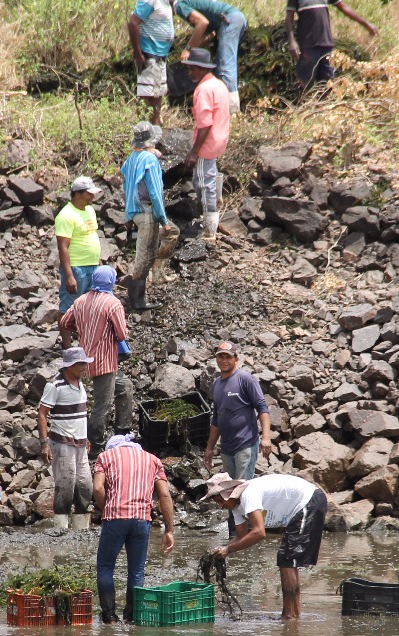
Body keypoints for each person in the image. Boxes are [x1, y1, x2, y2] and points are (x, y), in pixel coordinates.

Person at [205, 472, 327, 619]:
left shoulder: (248, 495)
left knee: (287, 561)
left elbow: (259, 532)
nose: (220, 505)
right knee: (287, 561)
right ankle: (294, 614)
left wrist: (228, 549)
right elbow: (241, 537)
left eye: (220, 500)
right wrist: (220, 550)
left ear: (227, 493)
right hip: (301, 507)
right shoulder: (236, 508)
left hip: (309, 500)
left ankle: (289, 615)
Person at [92, 434, 176, 623]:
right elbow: (164, 494)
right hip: (141, 520)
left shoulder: (105, 457)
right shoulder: (153, 460)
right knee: (136, 571)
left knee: (105, 567)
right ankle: (131, 616)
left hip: (114, 518)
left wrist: (107, 508)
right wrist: (169, 530)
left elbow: (98, 488)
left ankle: (109, 616)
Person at [60, 266, 135, 455]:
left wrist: (82, 330)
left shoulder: (81, 300)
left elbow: (64, 322)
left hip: (85, 359)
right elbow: (121, 333)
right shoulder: (113, 304)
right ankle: (96, 444)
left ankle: (122, 430)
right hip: (105, 362)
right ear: (110, 281)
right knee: (103, 404)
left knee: (125, 387)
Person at [120, 121, 176, 312]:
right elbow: (155, 192)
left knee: (146, 252)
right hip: (147, 211)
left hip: (134, 210)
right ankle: (137, 301)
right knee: (146, 255)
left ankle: (139, 294)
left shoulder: (131, 158)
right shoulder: (150, 160)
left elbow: (125, 176)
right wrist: (163, 219)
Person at [37, 347, 95, 531]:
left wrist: (86, 438)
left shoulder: (80, 383)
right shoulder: (54, 385)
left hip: (80, 444)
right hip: (62, 444)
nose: (85, 367)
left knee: (85, 485)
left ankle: (81, 529)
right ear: (70, 366)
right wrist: (44, 443)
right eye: (81, 364)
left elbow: (82, 413)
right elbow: (42, 414)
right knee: (65, 486)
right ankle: (60, 528)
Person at [202, 340, 272, 480]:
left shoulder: (245, 379)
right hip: (227, 448)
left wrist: (266, 437)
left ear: (236, 359)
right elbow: (216, 418)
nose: (224, 361)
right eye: (221, 357)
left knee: (242, 489)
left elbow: (262, 408)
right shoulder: (216, 384)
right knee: (232, 490)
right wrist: (210, 448)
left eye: (228, 357)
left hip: (245, 444)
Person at [180, 48, 231, 240]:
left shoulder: (203, 90)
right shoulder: (219, 85)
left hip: (207, 145)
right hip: (219, 140)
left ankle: (209, 230)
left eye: (193, 69)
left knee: (203, 183)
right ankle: (213, 212)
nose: (190, 73)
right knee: (209, 176)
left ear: (202, 69)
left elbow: (205, 124)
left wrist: (194, 151)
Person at [285, 0, 378, 91]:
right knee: (305, 83)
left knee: (328, 84)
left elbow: (343, 7)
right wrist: (292, 41)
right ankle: (305, 105)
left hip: (326, 44)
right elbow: (289, 16)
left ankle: (323, 105)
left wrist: (367, 24)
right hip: (308, 46)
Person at [175, 0, 247, 113]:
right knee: (220, 65)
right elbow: (210, 34)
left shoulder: (178, 5)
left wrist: (188, 49)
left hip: (229, 20)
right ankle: (220, 107)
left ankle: (232, 111)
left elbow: (202, 23)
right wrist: (192, 51)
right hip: (233, 19)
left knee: (225, 66)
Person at [54, 176, 102, 314]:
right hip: (77, 268)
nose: (92, 197)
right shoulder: (66, 215)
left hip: (92, 266)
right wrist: (69, 276)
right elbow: (62, 247)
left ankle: (84, 335)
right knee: (68, 307)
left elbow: (91, 235)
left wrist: (98, 261)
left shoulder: (90, 210)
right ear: (77, 193)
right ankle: (66, 337)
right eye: (88, 193)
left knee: (88, 307)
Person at [128, 0, 176, 126]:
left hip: (160, 56)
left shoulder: (165, 3)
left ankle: (153, 129)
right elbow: (133, 23)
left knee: (158, 94)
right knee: (147, 96)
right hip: (149, 54)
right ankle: (144, 132)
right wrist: (138, 55)